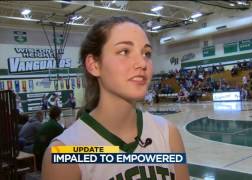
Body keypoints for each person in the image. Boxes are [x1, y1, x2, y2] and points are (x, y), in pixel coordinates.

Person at [42, 16, 189, 179]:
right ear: (94, 65)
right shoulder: (65, 153)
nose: (142, 62)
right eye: (124, 51)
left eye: (146, 53)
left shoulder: (168, 133)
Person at [33, 106, 63, 170]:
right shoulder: (57, 126)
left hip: (38, 156)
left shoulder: (45, 124)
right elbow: (65, 141)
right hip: (44, 157)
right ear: (58, 115)